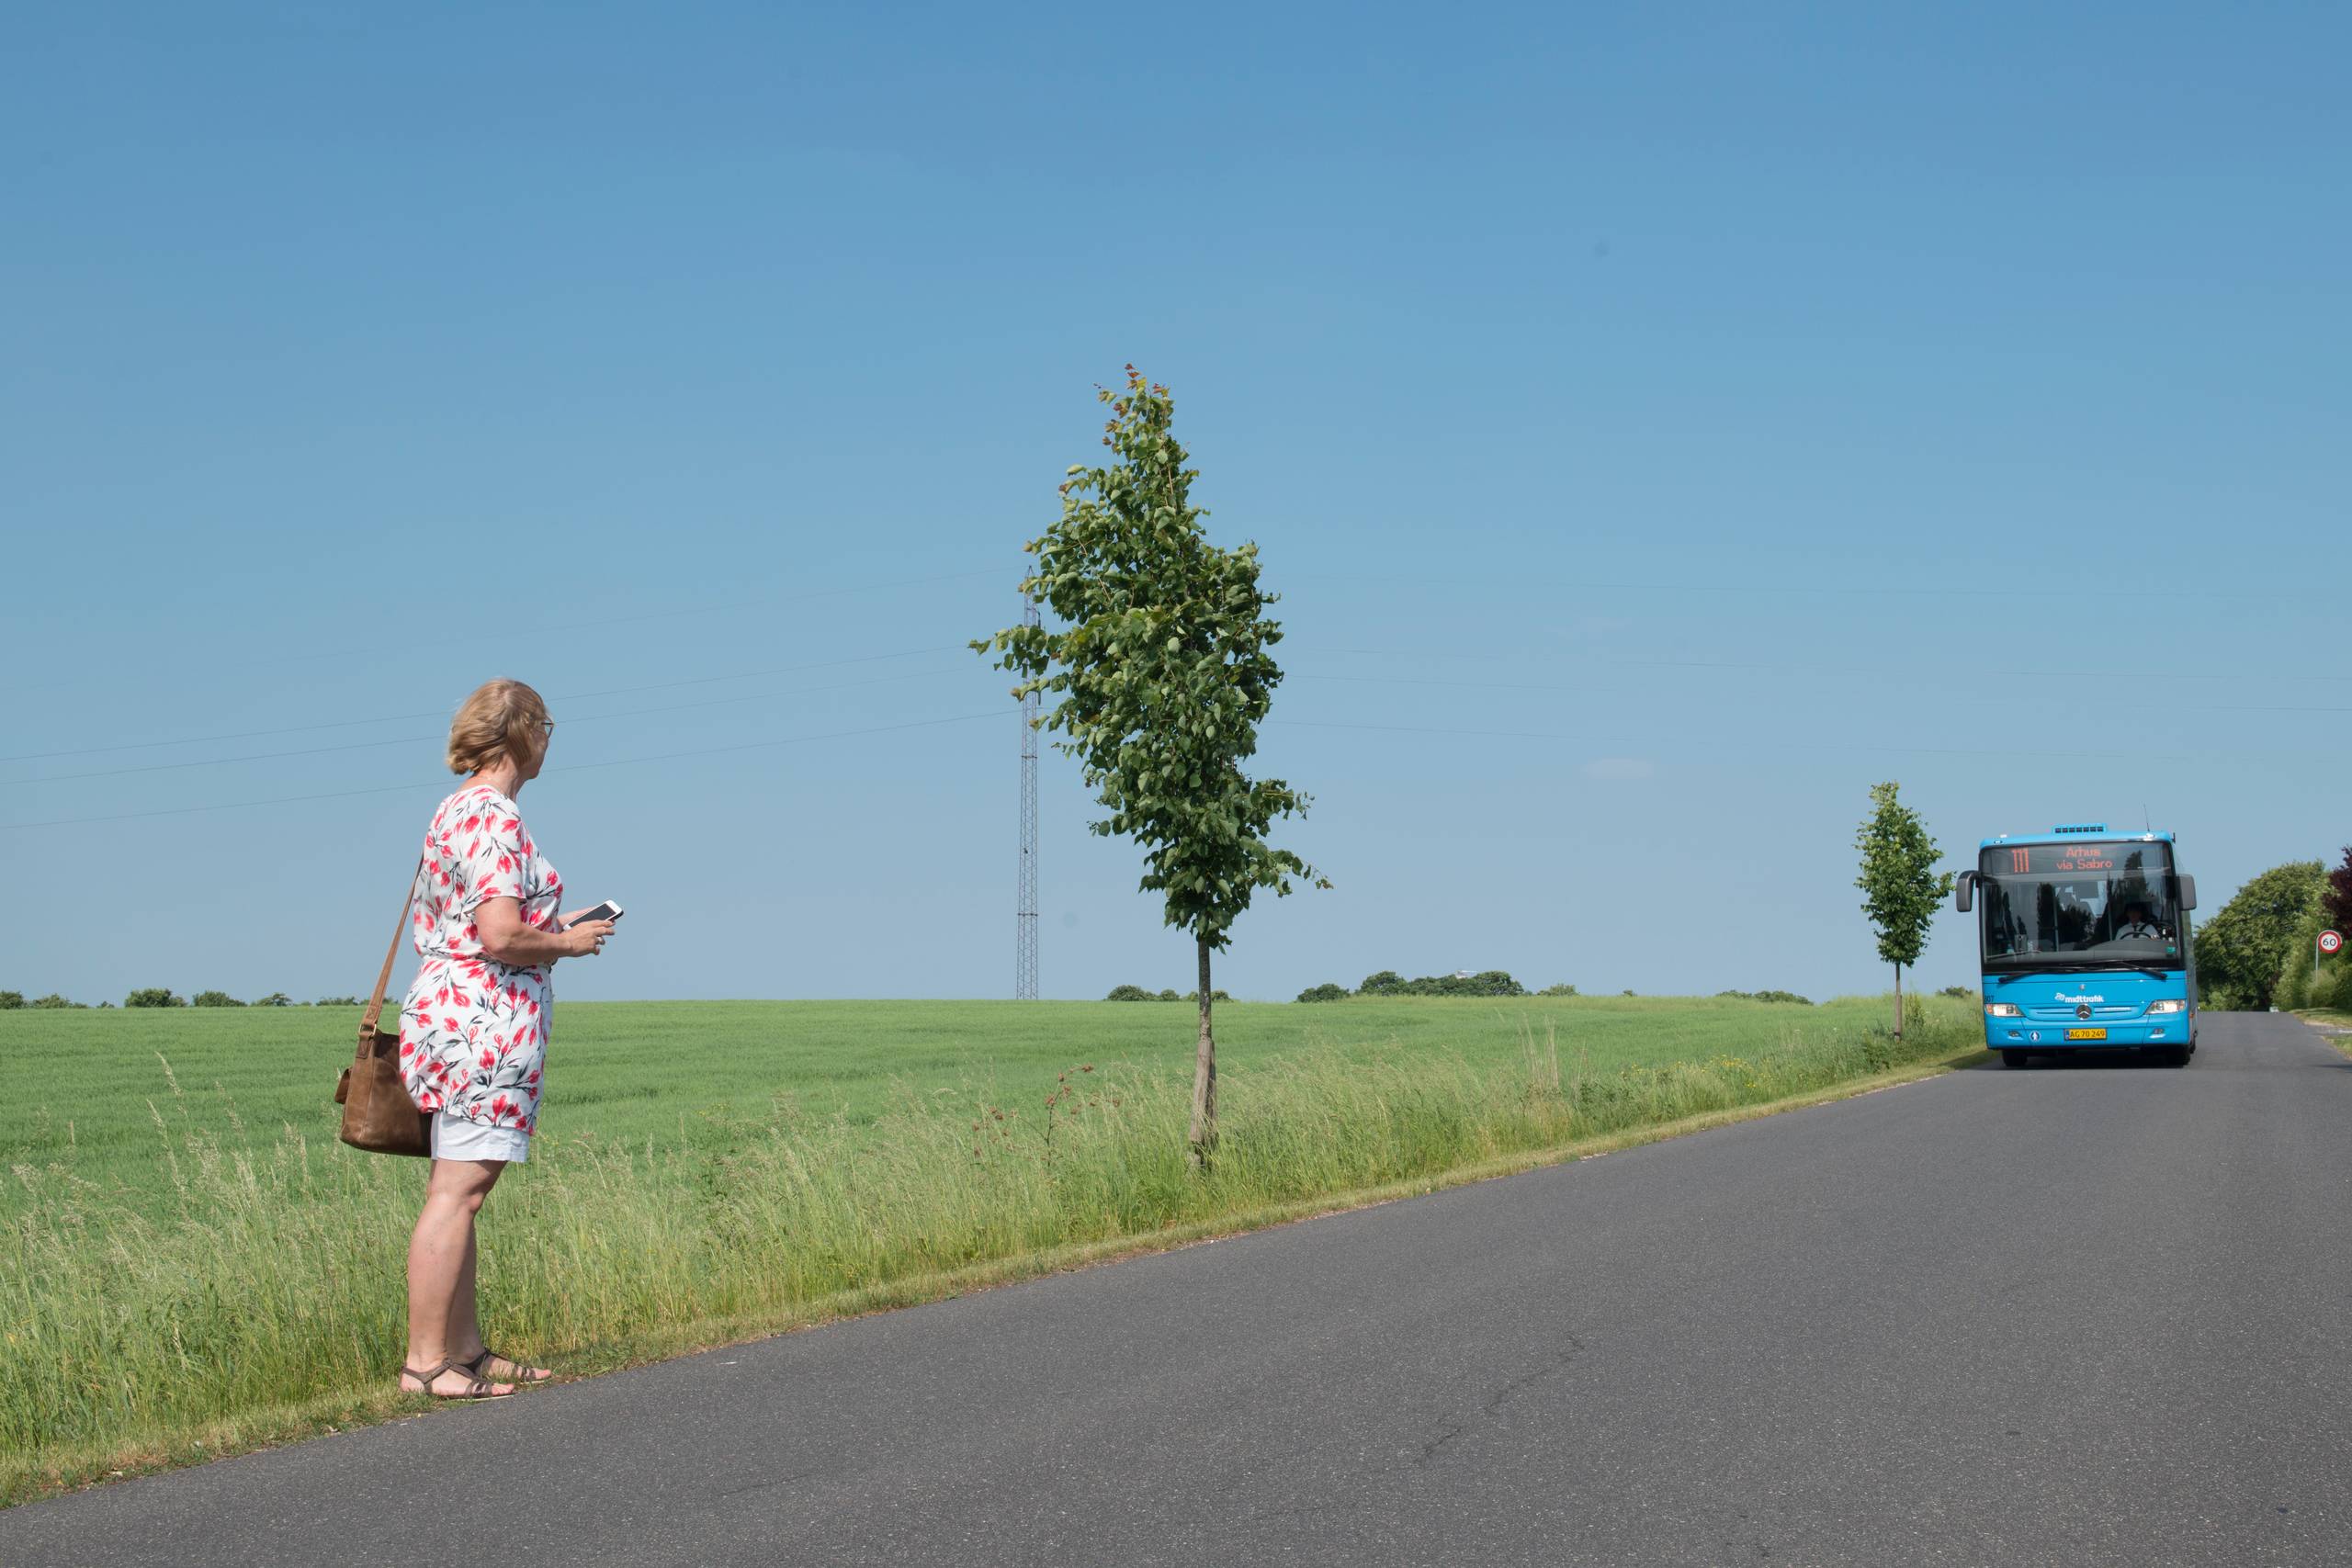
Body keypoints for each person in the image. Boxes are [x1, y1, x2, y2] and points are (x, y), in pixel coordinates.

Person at [395, 679, 616, 1400]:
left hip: (455, 1016)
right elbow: (499, 934)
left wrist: (561, 923)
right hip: (481, 1025)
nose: (551, 736)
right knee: (457, 1192)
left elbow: (484, 917)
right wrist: (570, 944)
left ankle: (464, 1351)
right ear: (520, 730)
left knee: (461, 1187)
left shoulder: (457, 809)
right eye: (545, 723)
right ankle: (427, 1365)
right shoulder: (494, 818)